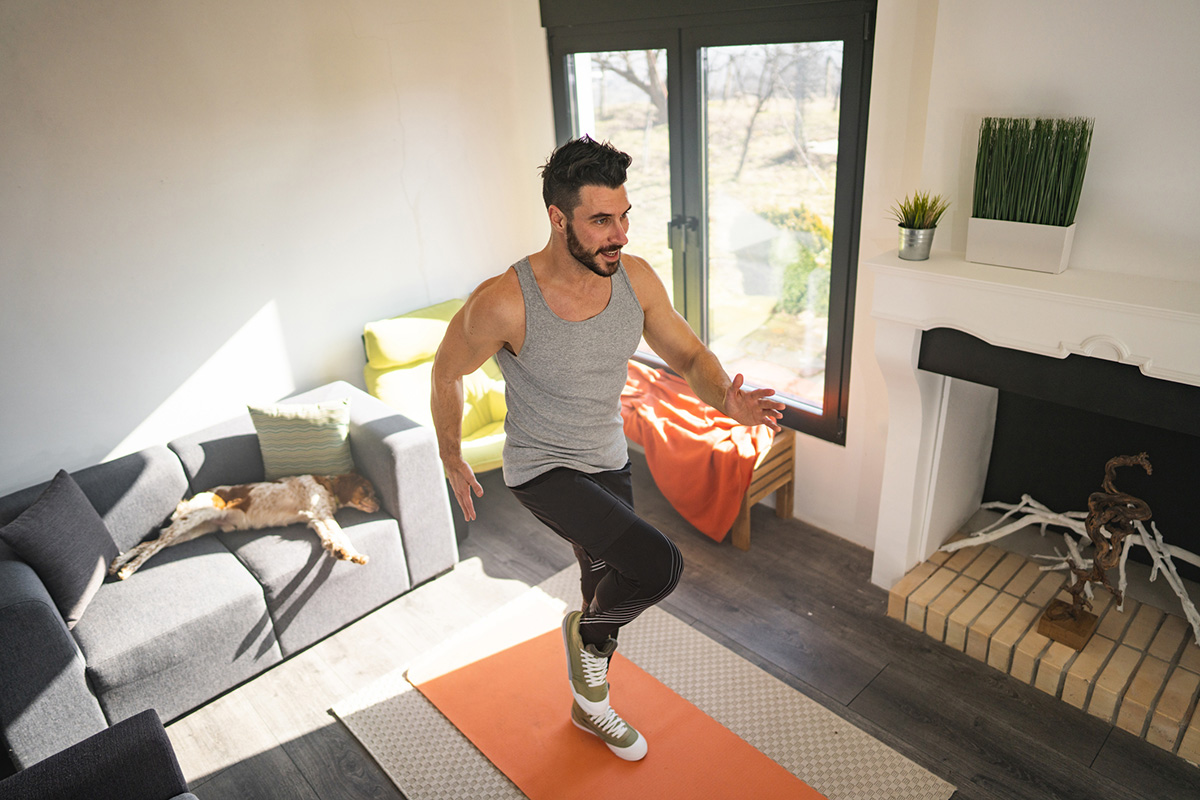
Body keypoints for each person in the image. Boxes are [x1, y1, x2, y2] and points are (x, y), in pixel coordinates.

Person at [431, 135, 784, 761]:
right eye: (601, 221)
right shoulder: (504, 301)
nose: (618, 234)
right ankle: (586, 639)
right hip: (543, 469)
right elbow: (446, 370)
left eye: (624, 216)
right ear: (558, 219)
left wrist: (726, 400)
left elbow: (690, 355)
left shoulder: (635, 279)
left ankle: (589, 704)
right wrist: (450, 452)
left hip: (607, 458)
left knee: (605, 590)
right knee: (658, 566)